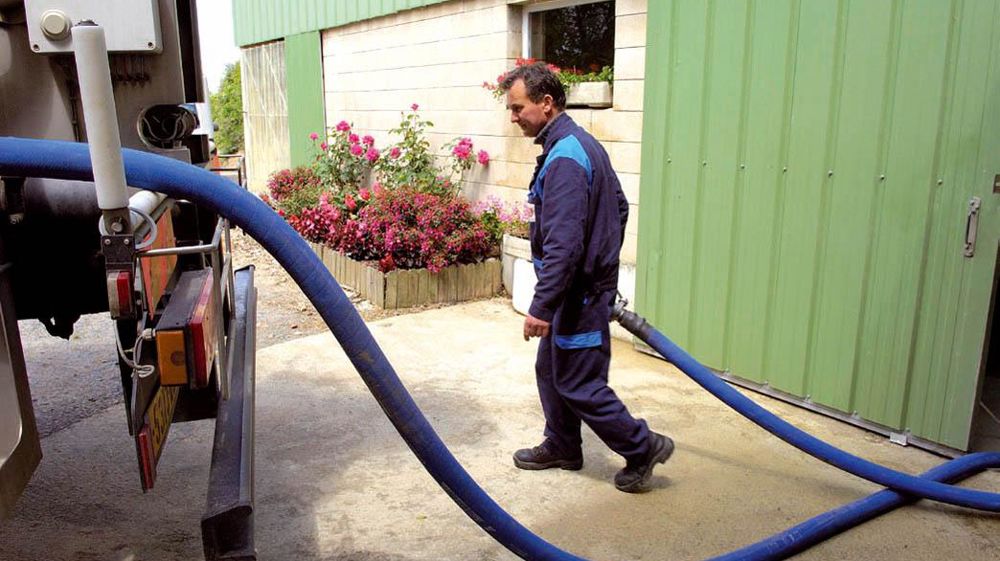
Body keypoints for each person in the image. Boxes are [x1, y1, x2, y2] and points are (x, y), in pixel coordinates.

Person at [500, 63, 674, 493]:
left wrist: (544, 305)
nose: (513, 117)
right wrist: (603, 261)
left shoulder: (566, 159)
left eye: (518, 107)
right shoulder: (578, 145)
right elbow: (617, 206)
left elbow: (564, 244)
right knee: (550, 368)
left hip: (577, 297)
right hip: (578, 291)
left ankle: (641, 445)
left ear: (546, 103)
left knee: (578, 382)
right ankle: (562, 444)